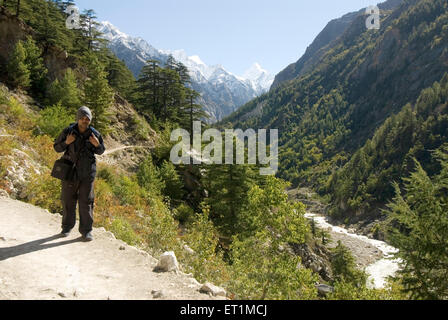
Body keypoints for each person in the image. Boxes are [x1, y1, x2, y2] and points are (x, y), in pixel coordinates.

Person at [53, 106, 106, 241]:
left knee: (86, 201)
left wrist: (96, 145)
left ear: (90, 120)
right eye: (82, 118)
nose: (84, 121)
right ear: (78, 118)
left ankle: (86, 231)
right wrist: (66, 142)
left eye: (87, 119)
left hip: (87, 173)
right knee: (67, 200)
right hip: (70, 172)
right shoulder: (68, 131)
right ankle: (66, 227)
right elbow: (56, 147)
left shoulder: (95, 134)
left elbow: (101, 151)